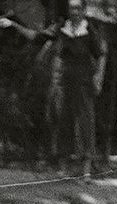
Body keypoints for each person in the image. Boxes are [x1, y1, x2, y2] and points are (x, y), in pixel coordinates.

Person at [43, 0, 105, 177]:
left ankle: (86, 169)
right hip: (65, 80)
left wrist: (97, 77)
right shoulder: (63, 28)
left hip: (84, 82)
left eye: (78, 8)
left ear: (84, 10)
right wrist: (13, 25)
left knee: (86, 121)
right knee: (64, 120)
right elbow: (40, 37)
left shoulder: (89, 30)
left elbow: (100, 54)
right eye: (72, 8)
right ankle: (63, 166)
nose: (74, 11)